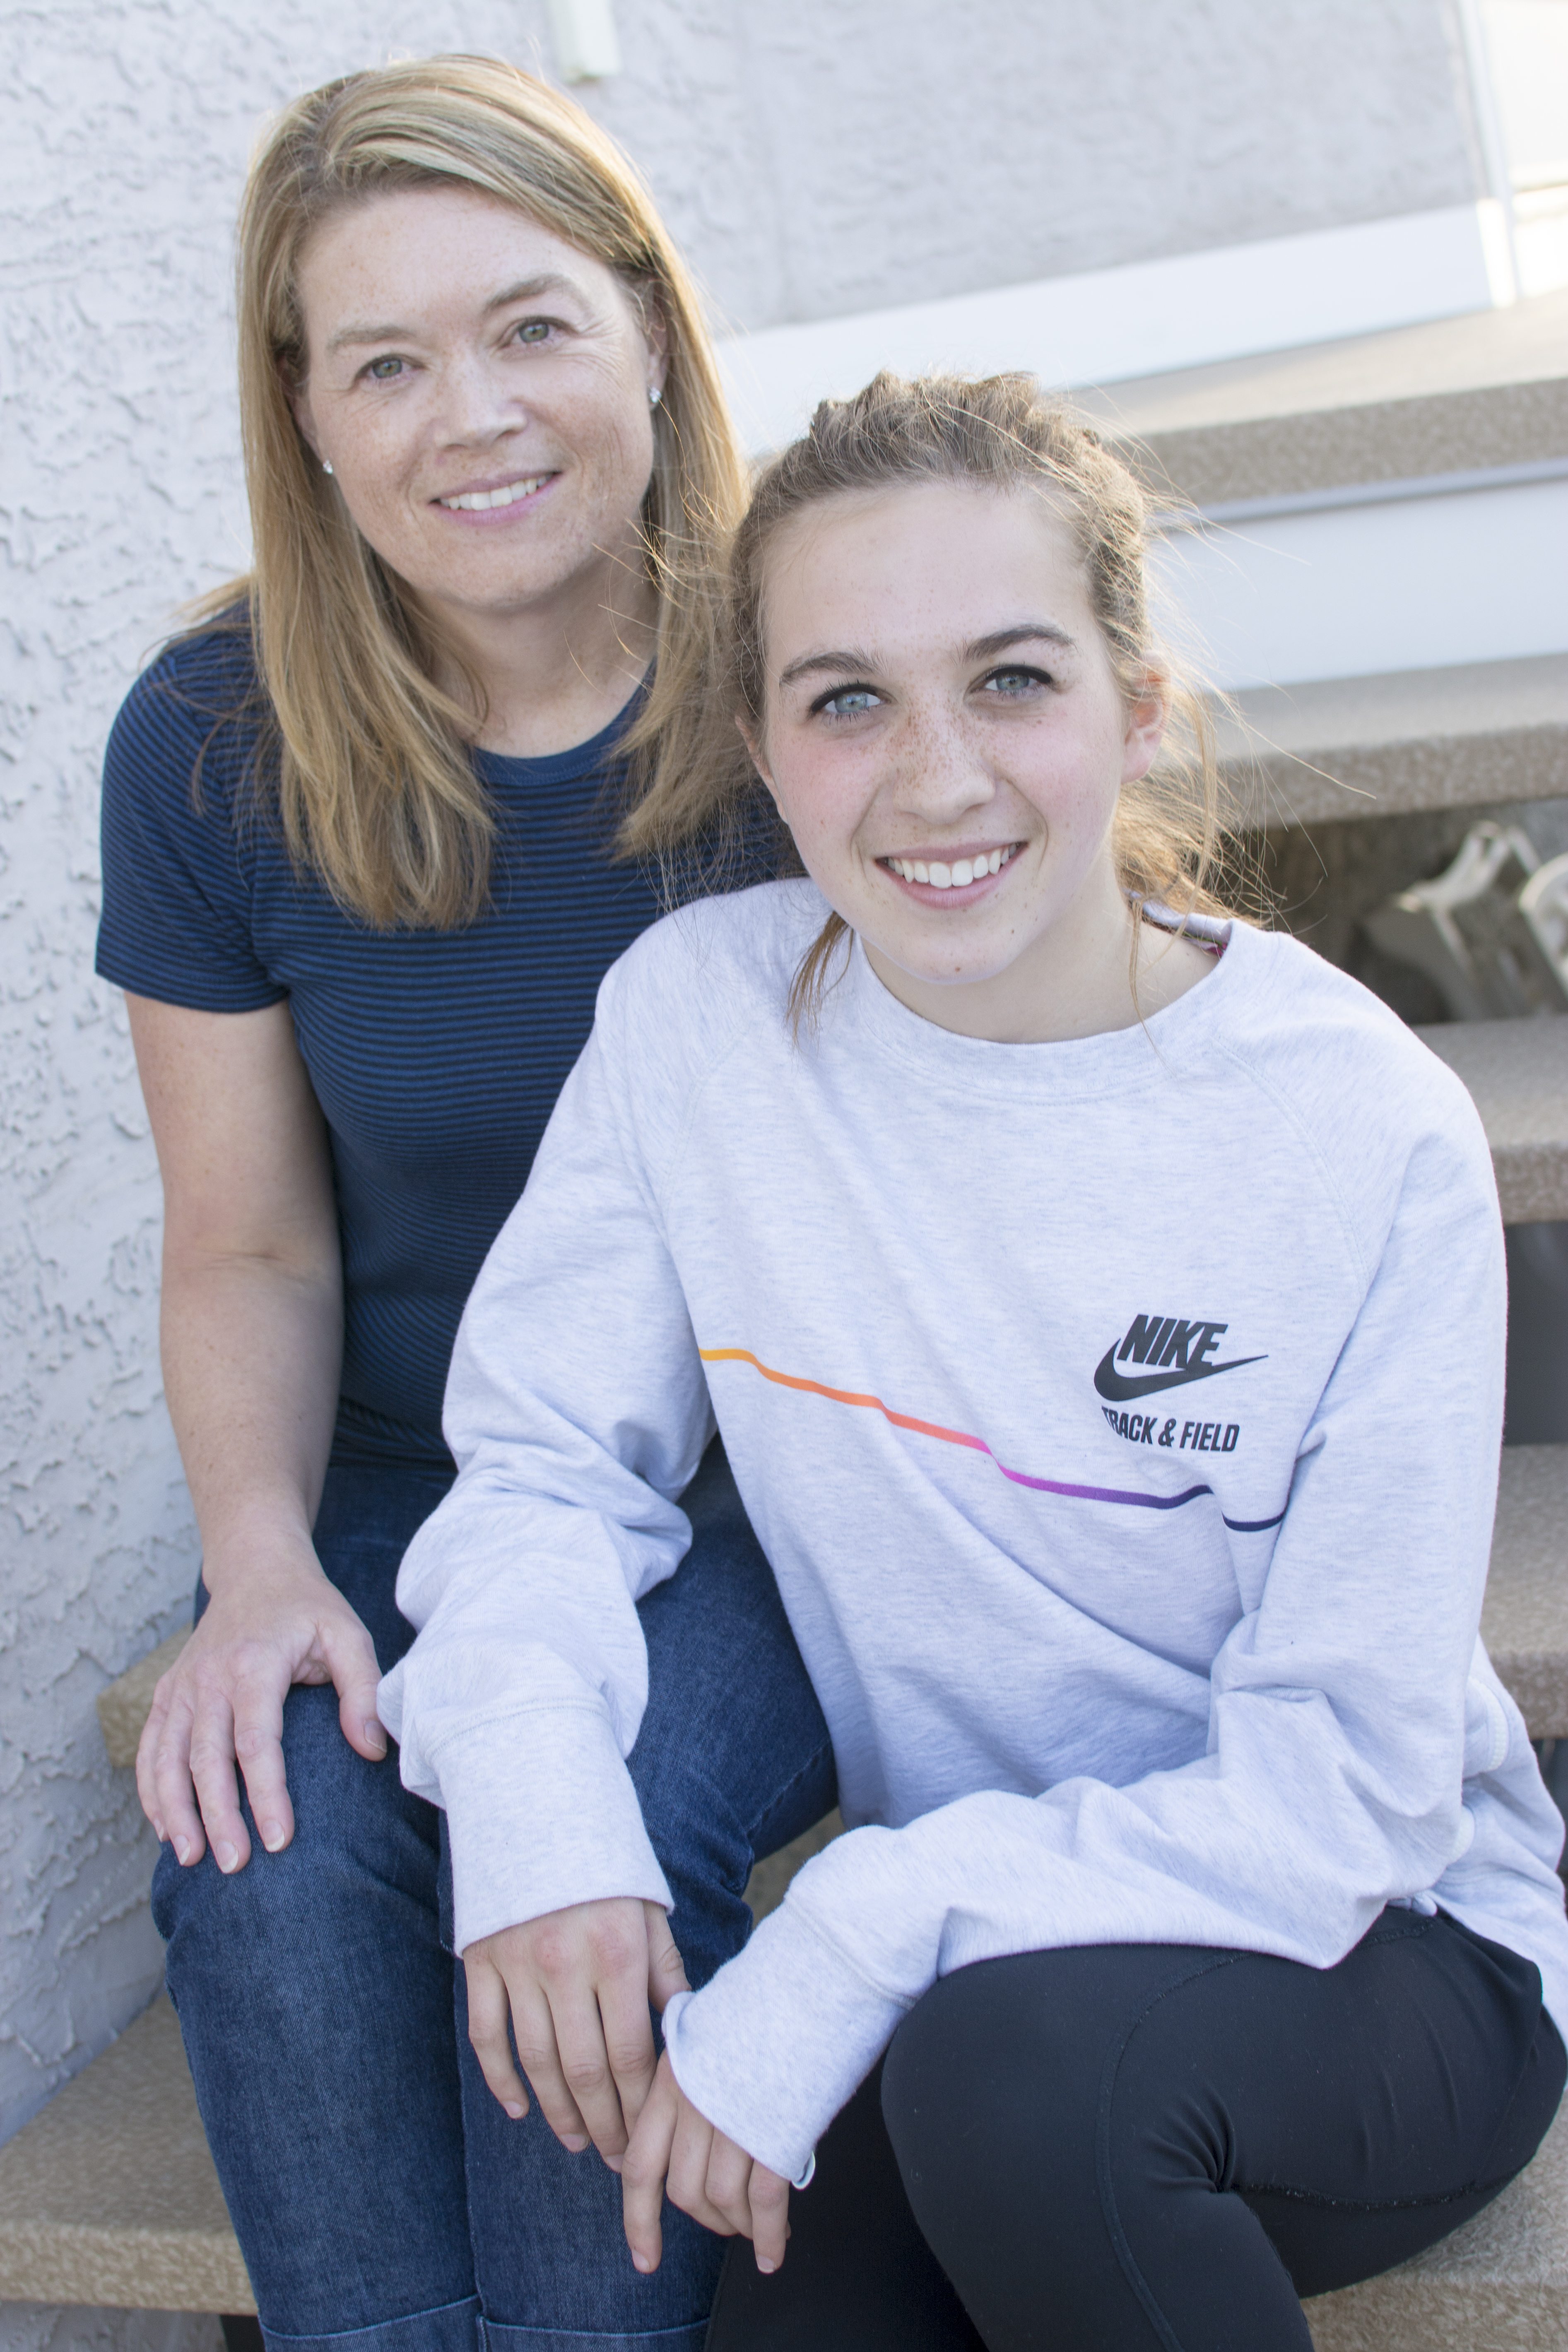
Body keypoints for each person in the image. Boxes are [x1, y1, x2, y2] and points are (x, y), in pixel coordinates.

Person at [380, 371, 1568, 2352]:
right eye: (845, 697)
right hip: (973, 1971)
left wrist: (861, 1912)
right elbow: (535, 1470)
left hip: (1368, 1949)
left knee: (1012, 2076)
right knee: (779, 2285)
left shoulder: (1356, 1132)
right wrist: (535, 1811)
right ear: (763, 745)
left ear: (1134, 707)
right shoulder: (697, 1027)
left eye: (1007, 679)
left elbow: (1334, 1801)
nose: (932, 776)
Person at [95, 57, 835, 2352]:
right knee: (266, 1835)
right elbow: (250, 1237)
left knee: (574, 1799)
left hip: (772, 1495)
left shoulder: (806, 682)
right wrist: (259, 1571)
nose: (471, 416)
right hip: (419, 1487)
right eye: (383, 361)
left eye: (526, 326)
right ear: (303, 415)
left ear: (642, 328)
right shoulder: (215, 737)